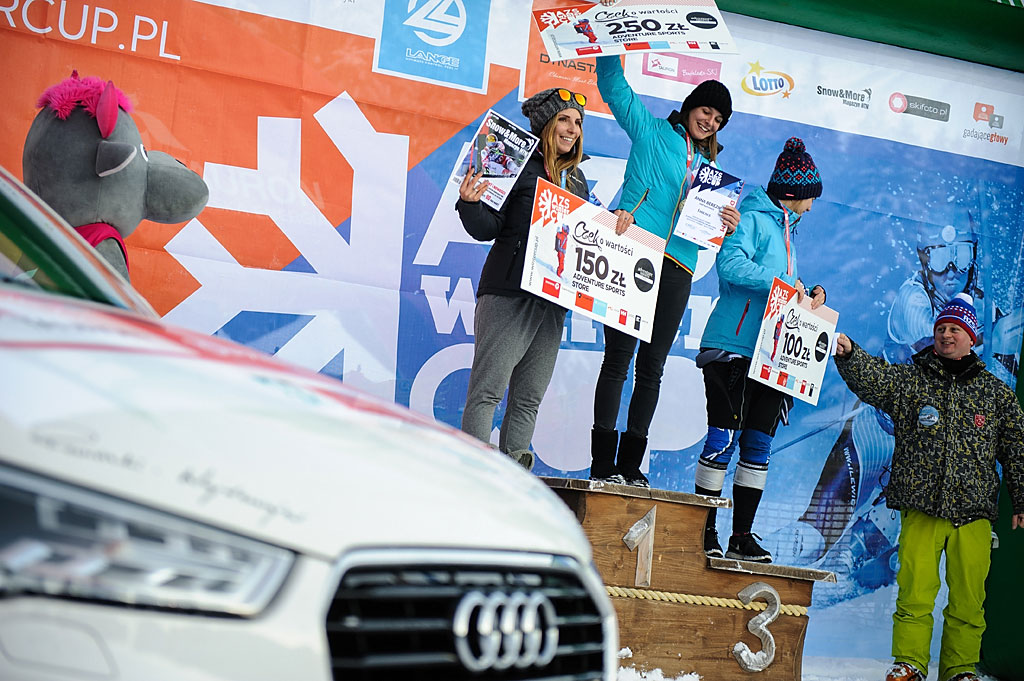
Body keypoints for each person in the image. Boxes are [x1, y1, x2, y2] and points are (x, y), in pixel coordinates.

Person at [833, 293, 1024, 681]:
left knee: (969, 602)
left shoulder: (996, 394)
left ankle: (960, 669)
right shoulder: (910, 379)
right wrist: (850, 353)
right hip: (921, 509)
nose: (946, 335)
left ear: (972, 338)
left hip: (973, 516)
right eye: (940, 328)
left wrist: (1020, 498)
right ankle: (910, 663)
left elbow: (1016, 448)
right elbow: (875, 380)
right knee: (915, 595)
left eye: (955, 329)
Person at [589, 55, 740, 488]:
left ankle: (631, 465)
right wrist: (609, 41)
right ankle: (602, 464)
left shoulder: (714, 176)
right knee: (618, 358)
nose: (710, 121)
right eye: (706, 111)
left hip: (679, 265)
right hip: (635, 248)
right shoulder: (651, 131)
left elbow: (710, 233)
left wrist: (727, 225)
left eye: (718, 118)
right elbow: (614, 86)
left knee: (652, 366)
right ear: (691, 106)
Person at [694, 137, 825, 562]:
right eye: (809, 197)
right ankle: (704, 530)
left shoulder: (787, 229)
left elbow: (782, 290)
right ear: (793, 194)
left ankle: (741, 536)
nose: (812, 207)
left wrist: (811, 295)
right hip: (732, 347)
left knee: (757, 445)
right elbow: (730, 266)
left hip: (771, 358)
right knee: (722, 439)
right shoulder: (751, 217)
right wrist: (783, 284)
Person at [456, 88, 589, 470]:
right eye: (564, 119)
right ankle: (475, 477)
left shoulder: (576, 179)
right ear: (547, 123)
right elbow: (488, 228)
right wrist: (470, 204)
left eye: (578, 122)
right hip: (509, 291)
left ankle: (513, 483)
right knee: (487, 393)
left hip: (552, 301)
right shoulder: (514, 164)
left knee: (528, 397)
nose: (572, 129)